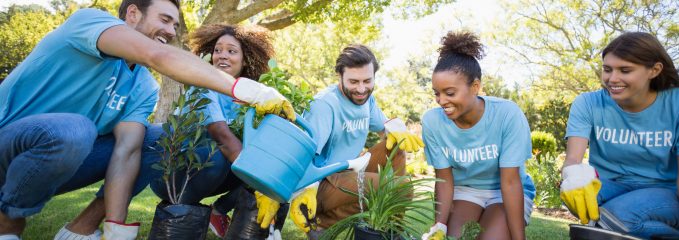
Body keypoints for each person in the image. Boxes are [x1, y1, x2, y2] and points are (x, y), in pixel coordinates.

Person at [0, 0, 294, 239]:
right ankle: (8, 224)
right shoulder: (88, 22)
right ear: (132, 14)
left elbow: (127, 152)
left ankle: (82, 230)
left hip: (62, 156)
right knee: (76, 129)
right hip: (10, 144)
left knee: (154, 139)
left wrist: (116, 227)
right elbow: (157, 54)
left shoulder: (143, 85)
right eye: (164, 20)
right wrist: (244, 88)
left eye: (175, 25)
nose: (170, 30)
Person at [252, 44, 425, 238]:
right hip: (320, 182)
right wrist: (295, 190)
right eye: (353, 81)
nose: (361, 89)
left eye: (367, 81)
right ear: (339, 76)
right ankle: (321, 222)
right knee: (397, 187)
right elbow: (304, 154)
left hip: (349, 172)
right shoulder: (325, 105)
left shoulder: (367, 99)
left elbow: (385, 128)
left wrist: (397, 129)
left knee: (395, 148)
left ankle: (391, 230)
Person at [148, 23, 289, 239]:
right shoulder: (202, 85)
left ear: (245, 59)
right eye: (217, 50)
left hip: (211, 170)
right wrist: (263, 183)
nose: (222, 56)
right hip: (174, 173)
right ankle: (186, 212)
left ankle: (221, 211)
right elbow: (222, 137)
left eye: (231, 51)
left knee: (258, 160)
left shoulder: (247, 96)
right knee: (227, 155)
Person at [560, 32, 679, 239]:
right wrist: (573, 179)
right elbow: (572, 159)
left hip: (663, 190)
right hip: (610, 183)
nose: (612, 79)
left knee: (617, 217)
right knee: (577, 198)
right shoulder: (588, 103)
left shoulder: (675, 103)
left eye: (625, 70)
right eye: (607, 69)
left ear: (654, 70)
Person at [420, 31, 535, 240]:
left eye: (450, 93)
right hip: (465, 191)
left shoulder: (507, 114)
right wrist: (440, 226)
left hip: (505, 190)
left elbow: (510, 182)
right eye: (437, 93)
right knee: (456, 237)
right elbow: (444, 179)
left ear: (475, 87)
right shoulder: (432, 122)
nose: (441, 100)